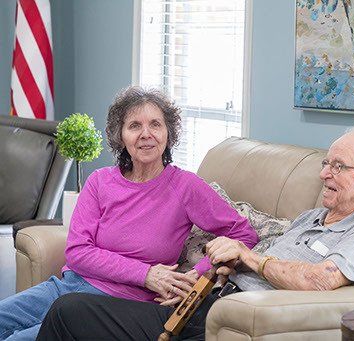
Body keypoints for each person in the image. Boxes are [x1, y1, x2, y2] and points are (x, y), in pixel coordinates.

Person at [36, 125, 354, 341]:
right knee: (64, 312)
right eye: (326, 163)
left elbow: (324, 280)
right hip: (203, 299)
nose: (324, 173)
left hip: (231, 315)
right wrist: (216, 270)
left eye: (339, 166)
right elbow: (254, 256)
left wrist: (248, 258)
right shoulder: (312, 217)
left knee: (68, 312)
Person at [0, 86, 258, 340]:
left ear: (168, 133)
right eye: (134, 126)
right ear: (121, 136)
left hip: (121, 306)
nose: (146, 134)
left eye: (155, 125)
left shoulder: (185, 187)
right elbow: (78, 252)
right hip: (68, 288)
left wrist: (197, 275)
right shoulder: (100, 181)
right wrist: (146, 274)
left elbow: (242, 234)